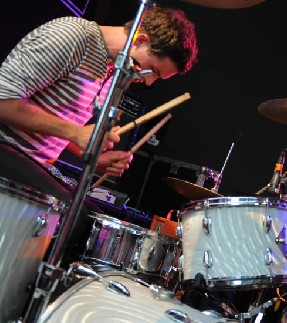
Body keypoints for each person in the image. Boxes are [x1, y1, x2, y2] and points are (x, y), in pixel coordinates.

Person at [0, 5, 198, 205]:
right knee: (77, 215)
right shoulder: (72, 36)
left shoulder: (114, 72)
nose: (148, 82)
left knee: (94, 213)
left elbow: (51, 123)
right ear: (140, 40)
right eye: (153, 70)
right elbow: (3, 101)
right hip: (7, 151)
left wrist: (93, 156)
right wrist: (76, 132)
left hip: (34, 166)